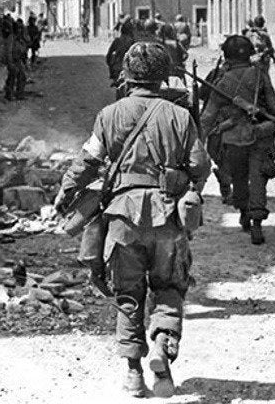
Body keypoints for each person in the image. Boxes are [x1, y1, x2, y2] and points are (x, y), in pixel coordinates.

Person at [54, 41, 210, 398]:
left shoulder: (109, 115)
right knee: (169, 286)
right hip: (168, 217)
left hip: (122, 219)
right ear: (165, 76)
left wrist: (66, 193)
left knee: (128, 294)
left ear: (126, 75)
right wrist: (189, 188)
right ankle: (162, 346)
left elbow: (87, 161)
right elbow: (201, 165)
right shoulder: (180, 116)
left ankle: (133, 374)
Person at [200, 34, 275, 245]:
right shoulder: (259, 75)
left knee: (239, 177)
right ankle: (257, 222)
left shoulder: (223, 81)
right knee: (258, 177)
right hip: (260, 134)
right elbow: (274, 106)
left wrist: (198, 140)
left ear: (226, 56)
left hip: (233, 138)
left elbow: (208, 115)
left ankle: (244, 211)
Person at [107, 20, 136, 95]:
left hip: (118, 68)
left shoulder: (117, 41)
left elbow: (109, 55)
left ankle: (115, 81)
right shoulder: (133, 42)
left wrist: (110, 66)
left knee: (118, 88)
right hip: (130, 69)